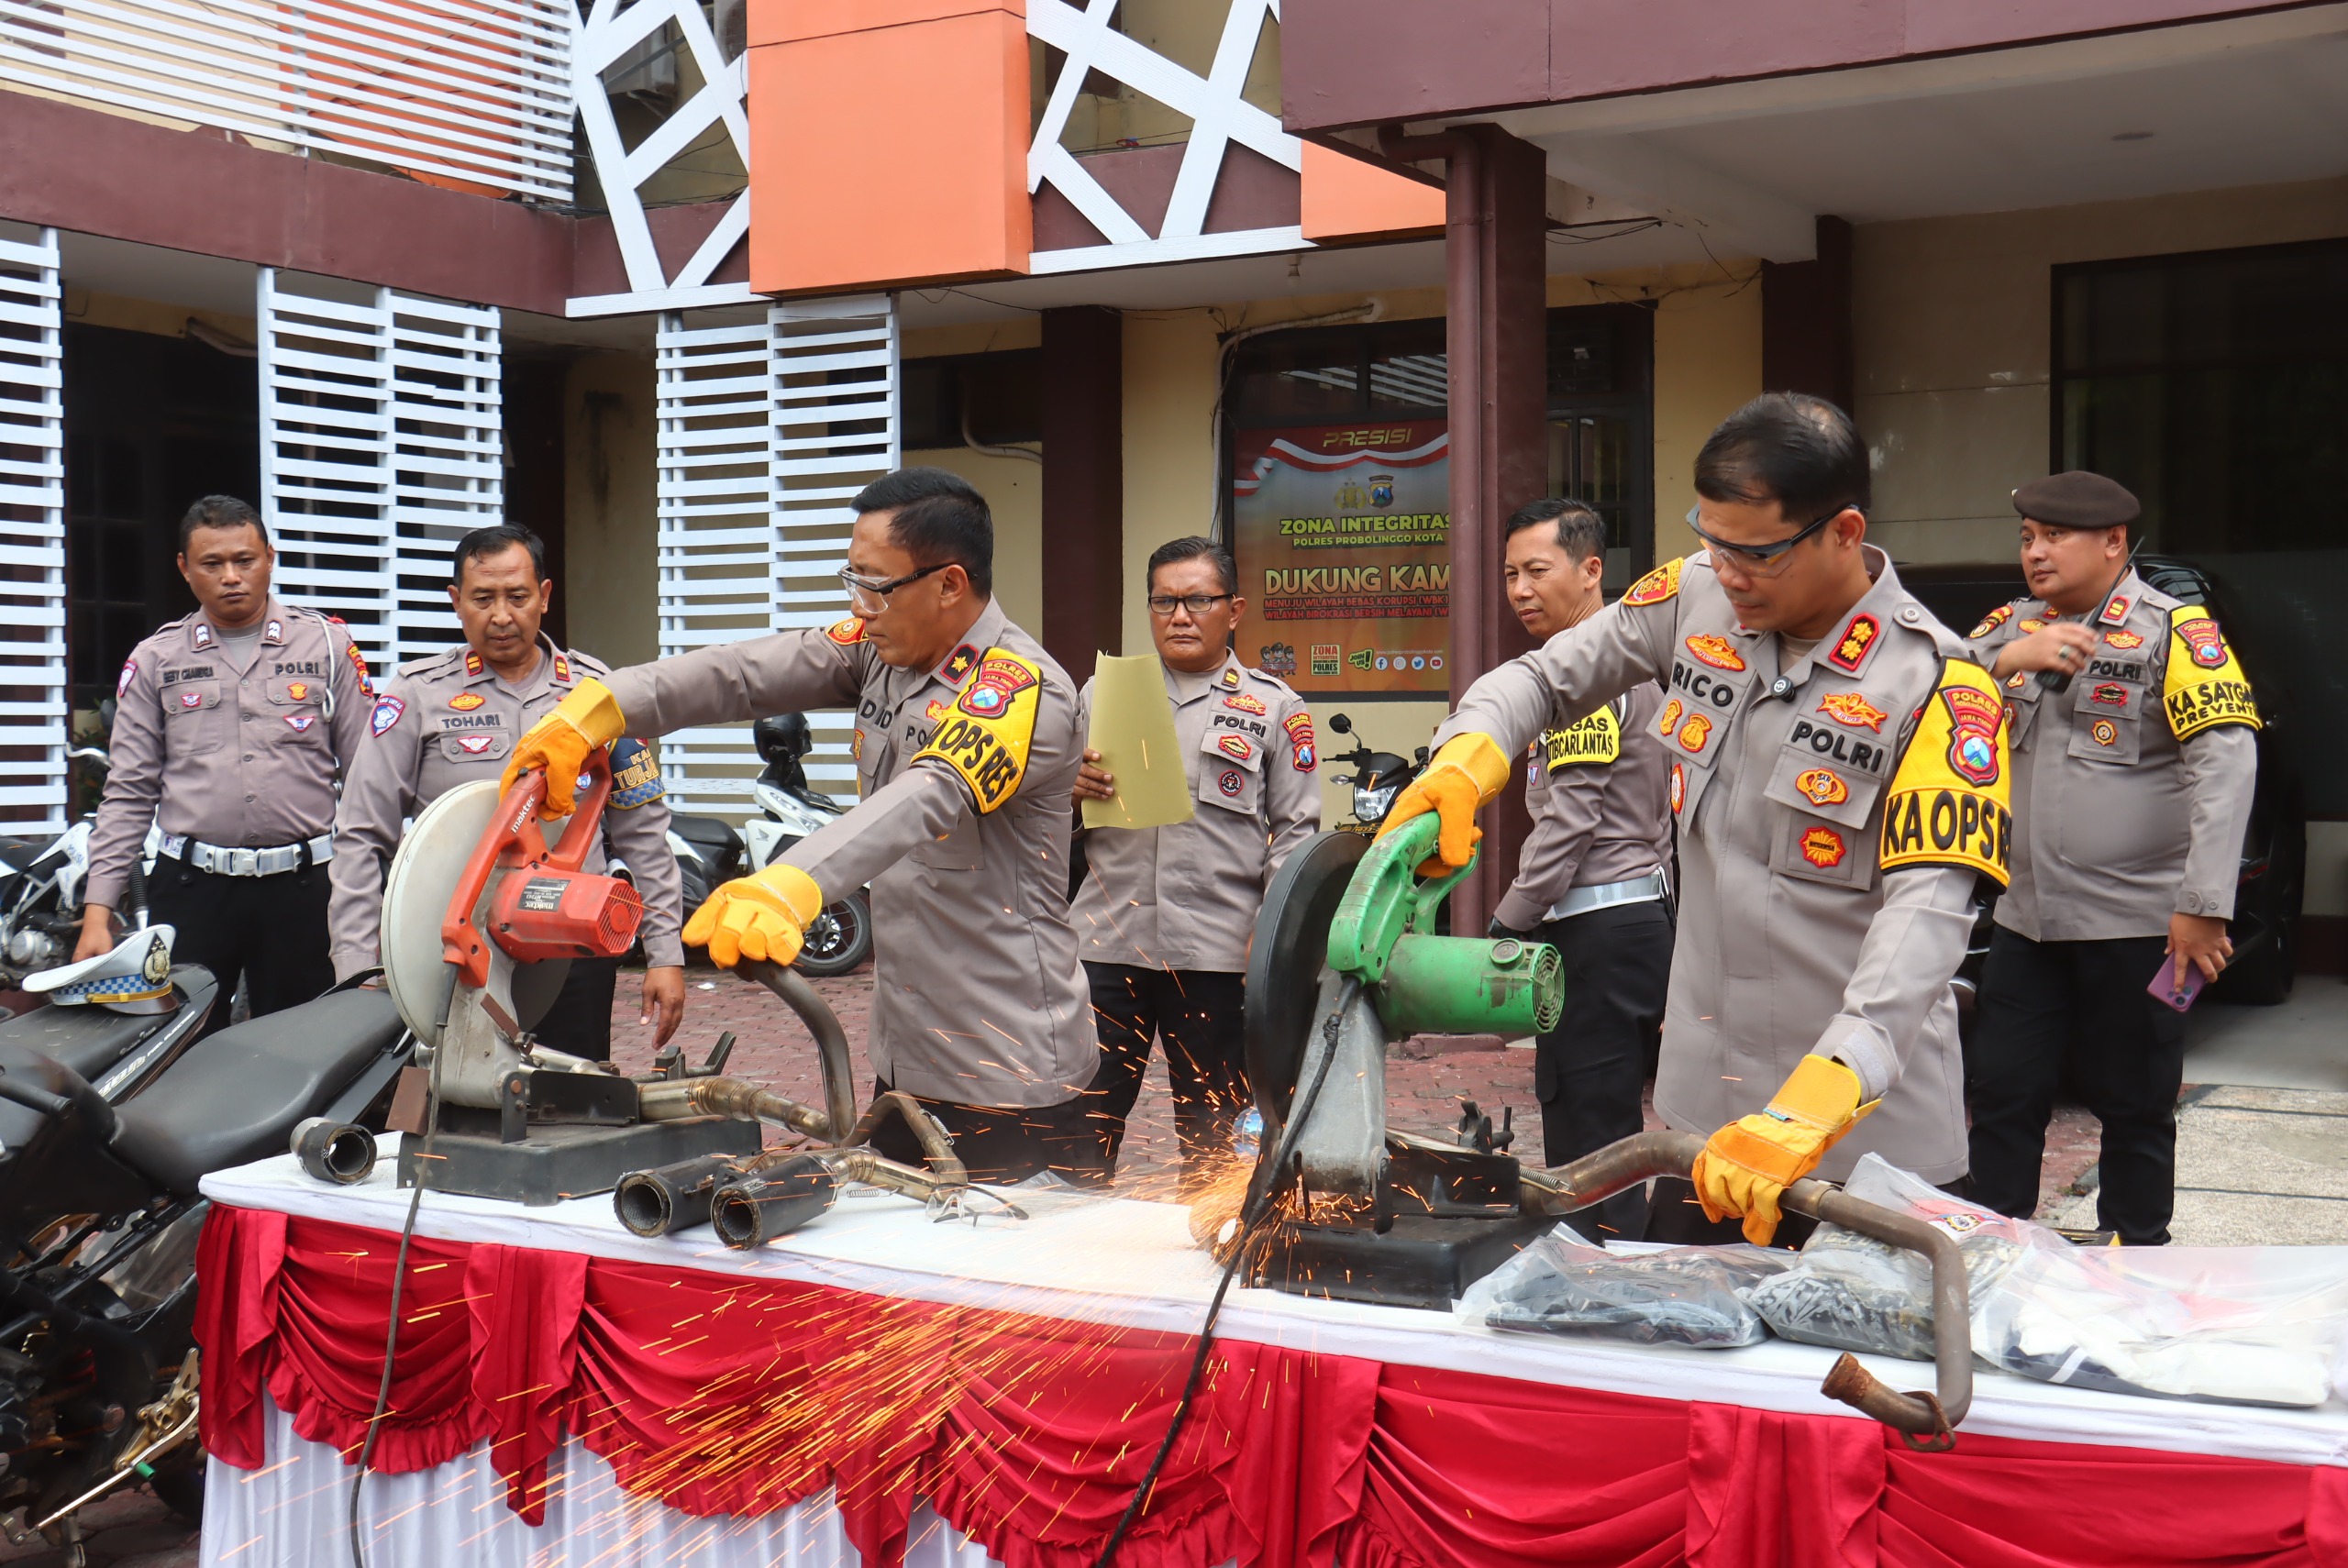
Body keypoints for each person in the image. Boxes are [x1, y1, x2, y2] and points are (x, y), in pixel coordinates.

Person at [1382, 393, 2010, 1246]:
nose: (1728, 572)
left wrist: (1830, 1084)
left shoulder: (1939, 686)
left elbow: (1928, 915)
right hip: (1702, 1133)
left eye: (1756, 552)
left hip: (1861, 1145)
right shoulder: (1693, 598)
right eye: (1711, 540)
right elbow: (1541, 679)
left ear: (1844, 532)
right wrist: (1467, 756)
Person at [502, 468, 1098, 1182]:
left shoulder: (1021, 689)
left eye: (876, 586)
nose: (859, 606)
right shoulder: (882, 650)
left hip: (1010, 1066)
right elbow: (741, 674)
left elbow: (929, 794)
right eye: (853, 580)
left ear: (949, 584)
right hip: (906, 1056)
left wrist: (790, 883)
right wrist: (601, 706)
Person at [1961, 472, 2258, 1245]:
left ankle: (2138, 1265)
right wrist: (2008, 656)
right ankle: (1994, 1259)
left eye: (2055, 536)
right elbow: (1923, 690)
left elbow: (2227, 766)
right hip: (2025, 920)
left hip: (2139, 926)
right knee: (2003, 1092)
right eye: (2028, 537)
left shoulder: (2174, 632)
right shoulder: (2009, 626)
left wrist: (2203, 905)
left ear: (2114, 542)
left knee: (2136, 1105)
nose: (2035, 552)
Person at [327, 525, 686, 1056]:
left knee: (576, 1094)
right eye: (482, 599)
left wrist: (666, 955)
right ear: (456, 601)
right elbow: (361, 836)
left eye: (517, 597)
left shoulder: (597, 694)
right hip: (455, 948)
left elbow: (644, 834)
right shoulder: (418, 695)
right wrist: (358, 967)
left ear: (544, 596)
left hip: (573, 945)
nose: (501, 615)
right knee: (457, 1098)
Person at [1068, 536, 1321, 1188]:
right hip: (1106, 945)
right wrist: (1068, 791)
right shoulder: (1103, 695)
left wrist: (1270, 939)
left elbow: (1296, 835)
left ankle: (1214, 1240)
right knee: (1079, 1124)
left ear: (1233, 610)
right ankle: (1070, 1237)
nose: (1179, 616)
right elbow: (1042, 812)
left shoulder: (1275, 707)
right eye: (1164, 602)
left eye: (1198, 601)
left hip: (1218, 955)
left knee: (1218, 1139)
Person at [79, 495, 370, 1032]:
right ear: (185, 568)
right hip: (193, 889)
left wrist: (373, 892)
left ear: (270, 558)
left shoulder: (327, 647)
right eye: (212, 563)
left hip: (304, 889)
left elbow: (366, 780)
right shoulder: (156, 660)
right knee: (180, 1046)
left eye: (245, 560)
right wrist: (97, 912)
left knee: (303, 1044)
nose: (231, 577)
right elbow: (129, 792)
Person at [1483, 499, 1674, 1241]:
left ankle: (1601, 1276)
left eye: (1537, 571)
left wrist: (1508, 921)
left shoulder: (1586, 676)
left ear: (1591, 570)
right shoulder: (1627, 665)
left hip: (1596, 930)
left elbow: (1570, 821)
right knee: (1610, 1123)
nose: (1520, 590)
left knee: (1589, 1134)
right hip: (1634, 920)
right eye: (1510, 575)